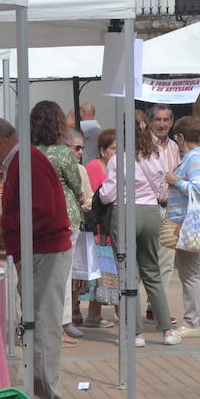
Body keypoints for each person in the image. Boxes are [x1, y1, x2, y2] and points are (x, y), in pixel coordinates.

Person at [0, 117, 73, 399]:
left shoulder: (26, 161)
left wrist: (2, 223)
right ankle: (41, 396)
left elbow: (42, 211)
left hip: (45, 251)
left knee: (42, 325)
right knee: (36, 323)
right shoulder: (22, 161)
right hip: (38, 250)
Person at [101, 115, 180, 347]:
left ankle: (135, 333)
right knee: (153, 271)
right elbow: (160, 186)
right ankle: (167, 331)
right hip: (151, 213)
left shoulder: (118, 159)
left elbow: (108, 194)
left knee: (128, 274)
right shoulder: (155, 155)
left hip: (125, 213)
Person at [29, 101, 87, 348]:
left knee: (34, 275)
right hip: (64, 219)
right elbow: (77, 187)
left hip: (34, 219)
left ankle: (31, 324)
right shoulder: (63, 153)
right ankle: (59, 327)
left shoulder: (29, 151)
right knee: (60, 278)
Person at [164, 116, 200, 337]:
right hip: (199, 219)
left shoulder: (194, 157)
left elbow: (199, 189)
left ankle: (193, 321)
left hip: (194, 220)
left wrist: (175, 181)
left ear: (180, 137)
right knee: (194, 272)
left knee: (190, 274)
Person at [144, 105, 180, 317]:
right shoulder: (143, 144)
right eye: (157, 119)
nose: (162, 124)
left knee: (166, 260)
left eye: (166, 120)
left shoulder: (174, 146)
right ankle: (129, 306)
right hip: (147, 207)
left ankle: (156, 308)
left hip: (169, 208)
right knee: (142, 258)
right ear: (150, 122)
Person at [79, 128, 116, 330]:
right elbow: (93, 198)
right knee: (90, 272)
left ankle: (94, 313)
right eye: (113, 148)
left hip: (108, 229)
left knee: (103, 273)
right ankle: (81, 313)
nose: (116, 153)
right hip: (95, 230)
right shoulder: (94, 167)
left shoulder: (116, 168)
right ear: (102, 150)